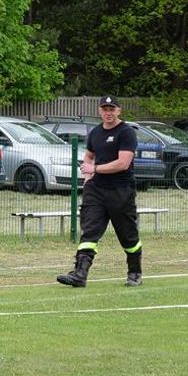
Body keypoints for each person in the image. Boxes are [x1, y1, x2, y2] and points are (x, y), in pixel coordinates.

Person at [57, 95, 142, 288]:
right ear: (99, 111)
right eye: (105, 109)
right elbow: (88, 157)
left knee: (128, 236)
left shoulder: (126, 132)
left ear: (118, 111)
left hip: (121, 191)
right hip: (96, 190)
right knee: (90, 231)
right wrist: (88, 178)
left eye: (112, 109)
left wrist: (94, 168)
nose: (108, 113)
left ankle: (135, 272)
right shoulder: (95, 132)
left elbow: (123, 163)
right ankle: (80, 274)